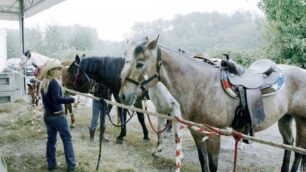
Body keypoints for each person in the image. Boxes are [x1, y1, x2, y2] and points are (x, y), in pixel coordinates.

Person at [39, 59, 76, 172]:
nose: (61, 71)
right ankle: (71, 165)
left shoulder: (44, 82)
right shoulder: (54, 83)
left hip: (48, 116)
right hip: (58, 117)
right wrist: (71, 99)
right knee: (67, 139)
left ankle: (51, 164)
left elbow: (53, 98)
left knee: (51, 140)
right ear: (53, 70)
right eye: (59, 69)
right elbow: (57, 100)